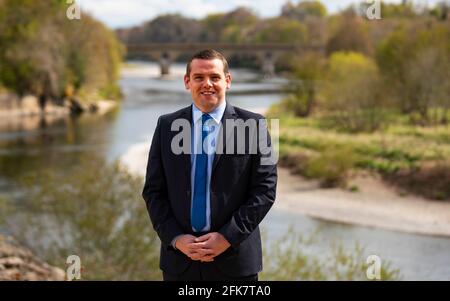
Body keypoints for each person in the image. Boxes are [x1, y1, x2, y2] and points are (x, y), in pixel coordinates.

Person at [142, 49, 277, 281]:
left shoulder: (255, 125)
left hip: (236, 262)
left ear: (228, 81)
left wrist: (227, 237)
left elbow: (265, 190)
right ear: (187, 81)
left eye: (214, 77)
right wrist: (175, 238)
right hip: (180, 263)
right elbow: (153, 191)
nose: (207, 84)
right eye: (199, 77)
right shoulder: (166, 125)